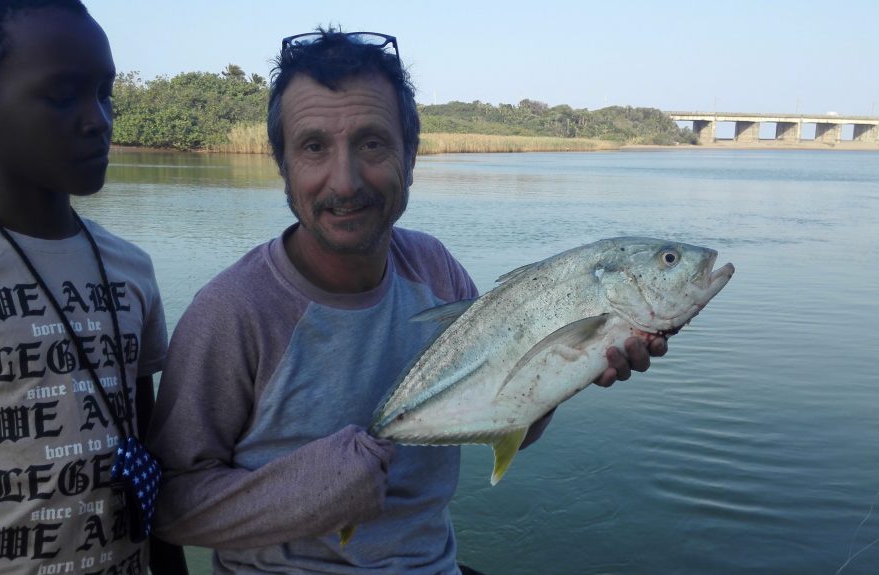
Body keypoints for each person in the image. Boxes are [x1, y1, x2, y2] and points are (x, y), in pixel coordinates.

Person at [147, 28, 665, 574]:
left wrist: (570, 369)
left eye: (372, 143)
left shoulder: (435, 270)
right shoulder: (233, 312)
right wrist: (309, 491)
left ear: (411, 156)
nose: (344, 182)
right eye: (314, 147)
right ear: (283, 166)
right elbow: (168, 509)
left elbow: (507, 412)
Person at [0, 1, 186, 573]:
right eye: (62, 95)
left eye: (104, 91)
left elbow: (147, 455)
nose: (99, 118)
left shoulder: (130, 268)